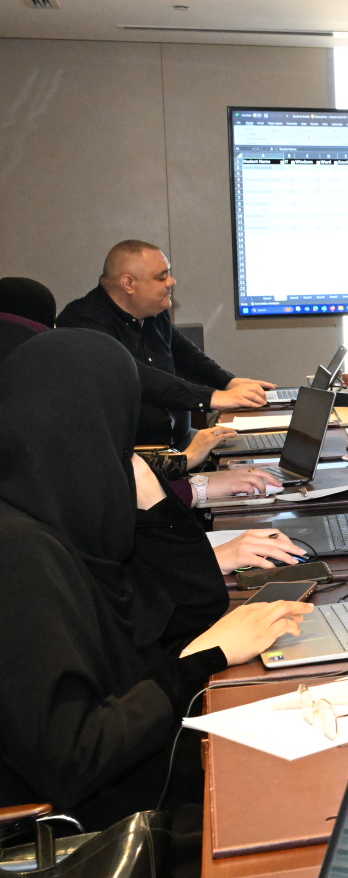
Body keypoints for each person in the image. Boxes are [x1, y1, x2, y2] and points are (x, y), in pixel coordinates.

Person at [0, 330, 312, 828]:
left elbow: (193, 607)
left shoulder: (67, 514)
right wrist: (203, 658)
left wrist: (156, 501)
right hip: (108, 821)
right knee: (297, 800)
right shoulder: (20, 556)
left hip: (143, 758)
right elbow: (74, 759)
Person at [56, 240, 275, 446]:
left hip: (178, 442)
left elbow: (186, 355)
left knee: (249, 447)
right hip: (132, 456)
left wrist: (229, 382)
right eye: (161, 278)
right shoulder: (83, 322)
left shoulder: (153, 311)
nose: (172, 282)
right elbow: (136, 376)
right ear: (128, 284)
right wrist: (213, 398)